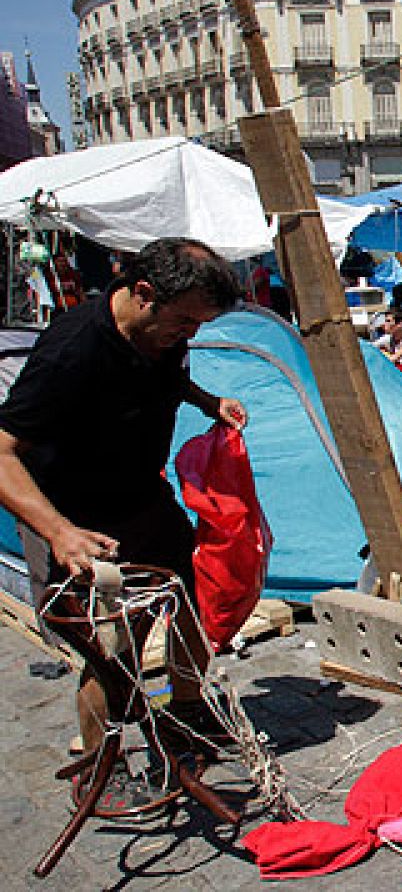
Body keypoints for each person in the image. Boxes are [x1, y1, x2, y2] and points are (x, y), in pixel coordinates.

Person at [0, 238, 248, 808]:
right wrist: (58, 532)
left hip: (143, 496)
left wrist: (207, 402)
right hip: (79, 518)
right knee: (111, 648)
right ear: (143, 294)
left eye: (198, 326)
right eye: (184, 322)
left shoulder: (163, 334)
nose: (189, 334)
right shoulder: (72, 350)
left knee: (188, 603)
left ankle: (187, 712)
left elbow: (166, 377)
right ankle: (99, 769)